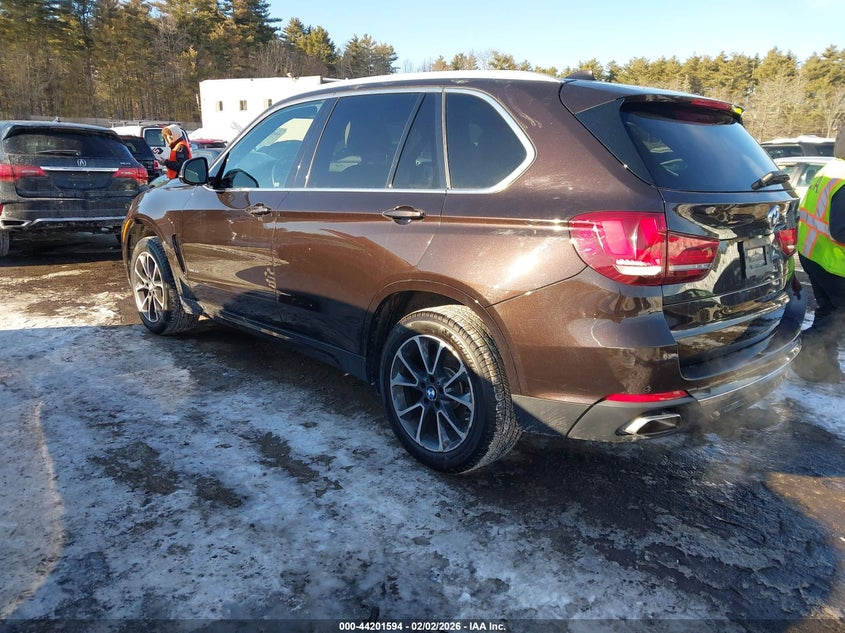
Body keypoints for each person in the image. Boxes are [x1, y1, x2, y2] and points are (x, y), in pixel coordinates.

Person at [792, 127, 845, 383]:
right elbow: (841, 230)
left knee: (830, 313)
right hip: (834, 263)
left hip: (814, 255)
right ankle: (803, 349)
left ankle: (824, 368)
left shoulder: (832, 169)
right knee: (838, 318)